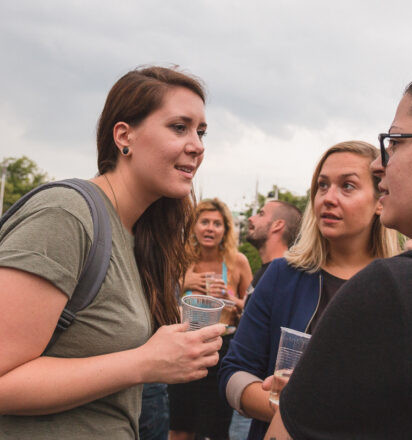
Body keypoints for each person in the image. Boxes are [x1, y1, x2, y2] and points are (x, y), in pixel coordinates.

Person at [0, 66, 226, 440]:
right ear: (124, 136)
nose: (198, 145)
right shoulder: (65, 214)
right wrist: (145, 362)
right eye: (179, 127)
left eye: (201, 132)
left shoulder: (140, 235)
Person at [265, 67, 412, 439]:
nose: (381, 164)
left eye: (394, 142)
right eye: (322, 185)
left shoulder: (391, 288)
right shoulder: (283, 274)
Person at [219, 140, 400, 440]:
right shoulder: (282, 276)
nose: (328, 198)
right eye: (322, 186)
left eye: (348, 187)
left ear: (380, 200)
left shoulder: (398, 285)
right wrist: (290, 408)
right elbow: (233, 374)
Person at [169, 198, 253, 440]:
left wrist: (228, 298)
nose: (210, 228)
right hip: (184, 346)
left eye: (217, 224)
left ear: (225, 230)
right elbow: (160, 302)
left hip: (221, 347)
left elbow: (251, 309)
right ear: (194, 227)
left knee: (214, 428)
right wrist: (185, 283)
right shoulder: (180, 259)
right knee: (180, 425)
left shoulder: (237, 261)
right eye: (204, 222)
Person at [247, 200, 302, 288]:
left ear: (277, 225)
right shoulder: (267, 272)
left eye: (261, 214)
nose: (251, 218)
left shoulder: (282, 278)